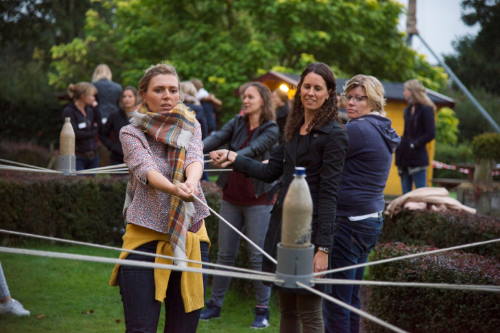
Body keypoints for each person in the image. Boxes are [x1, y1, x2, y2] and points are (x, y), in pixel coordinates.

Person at [210, 63, 348, 333]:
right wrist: (233, 158)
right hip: (282, 227)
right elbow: (270, 170)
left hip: (311, 233)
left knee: (308, 310)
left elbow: (330, 195)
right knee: (286, 307)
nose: (310, 92)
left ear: (329, 93)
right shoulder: (293, 128)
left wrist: (323, 248)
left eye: (317, 88)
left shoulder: (335, 136)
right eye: (306, 86)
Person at [108, 63, 210, 333]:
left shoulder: (192, 125)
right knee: (141, 328)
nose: (167, 95)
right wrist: (174, 188)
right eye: (159, 90)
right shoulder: (131, 132)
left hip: (190, 236)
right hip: (145, 239)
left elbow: (195, 158)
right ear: (144, 94)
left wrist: (190, 182)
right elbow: (146, 170)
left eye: (173, 90)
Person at [322, 75, 400, 333]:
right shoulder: (382, 127)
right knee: (351, 297)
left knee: (336, 300)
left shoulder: (358, 129)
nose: (351, 103)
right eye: (349, 97)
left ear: (374, 101)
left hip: (350, 223)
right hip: (370, 220)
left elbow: (321, 158)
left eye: (359, 98)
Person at [200, 82, 279, 329]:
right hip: (231, 197)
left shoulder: (272, 128)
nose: (245, 100)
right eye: (243, 96)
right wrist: (193, 150)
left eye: (250, 97)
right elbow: (216, 137)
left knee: (258, 256)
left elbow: (254, 149)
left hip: (258, 200)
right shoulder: (237, 121)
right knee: (225, 254)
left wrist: (230, 155)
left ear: (263, 101)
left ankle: (263, 310)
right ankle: (214, 305)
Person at [395, 79, 436, 194]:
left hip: (418, 158)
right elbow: (407, 132)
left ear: (412, 92)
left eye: (406, 90)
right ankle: (406, 212)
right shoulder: (407, 110)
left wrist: (414, 144)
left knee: (421, 193)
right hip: (404, 159)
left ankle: (422, 212)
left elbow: (431, 133)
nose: (404, 93)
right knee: (406, 194)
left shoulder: (426, 110)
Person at [62, 82, 101, 171]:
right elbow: (75, 134)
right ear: (83, 96)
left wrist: (96, 109)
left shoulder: (90, 110)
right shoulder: (69, 111)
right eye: (92, 95)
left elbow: (100, 126)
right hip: (78, 157)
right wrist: (93, 132)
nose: (94, 98)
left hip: (93, 157)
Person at [100, 86, 140, 165]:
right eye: (124, 96)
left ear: (136, 98)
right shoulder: (114, 116)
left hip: (138, 159)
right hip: (117, 158)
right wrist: (113, 147)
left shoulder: (141, 116)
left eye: (130, 96)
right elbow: (103, 135)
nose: (127, 99)